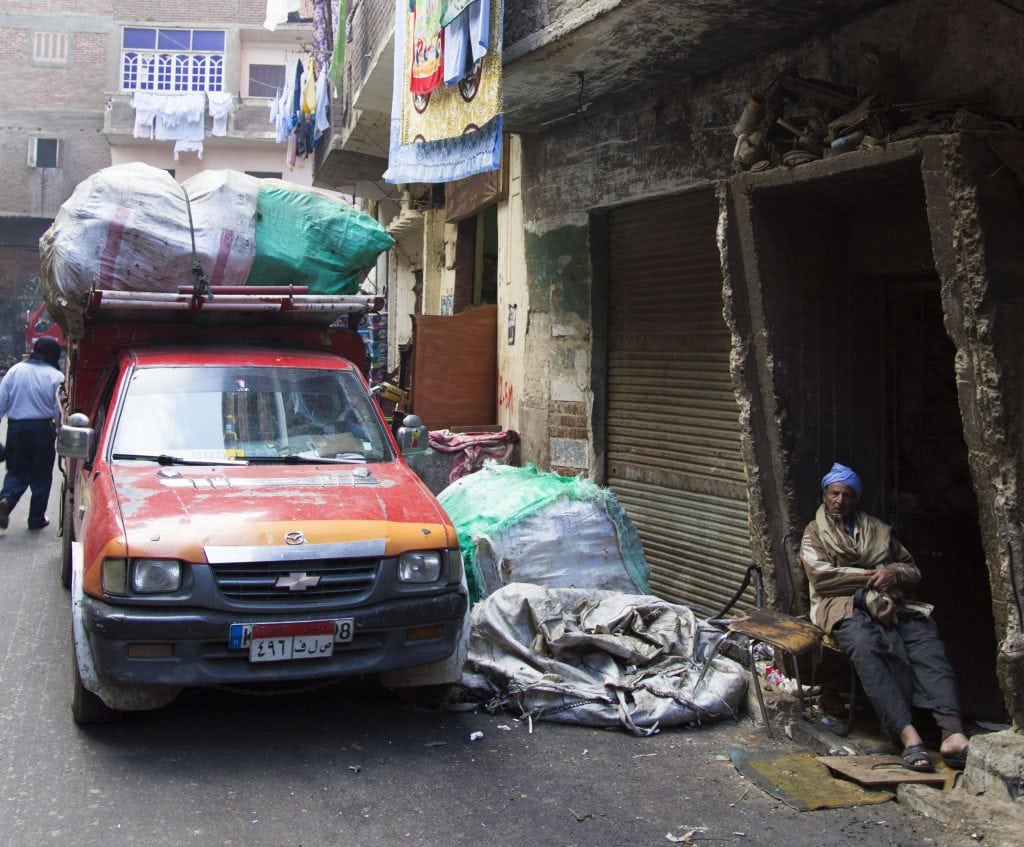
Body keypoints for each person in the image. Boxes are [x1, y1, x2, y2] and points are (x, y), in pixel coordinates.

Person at [800, 462, 970, 772]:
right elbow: (823, 578)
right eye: (834, 493)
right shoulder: (813, 534)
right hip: (841, 604)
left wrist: (892, 573)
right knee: (867, 646)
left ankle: (951, 731)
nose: (840, 501)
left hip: (890, 603)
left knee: (926, 642)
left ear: (856, 499)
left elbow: (911, 569)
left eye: (847, 495)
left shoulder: (878, 530)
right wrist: (871, 577)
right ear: (824, 495)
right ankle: (907, 734)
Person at [0, 337, 64, 530]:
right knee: (42, 475)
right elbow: (59, 409)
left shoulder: (15, 371)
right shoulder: (56, 376)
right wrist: (61, 432)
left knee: (16, 470)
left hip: (16, 428)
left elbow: (2, 401)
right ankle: (36, 518)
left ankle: (6, 499)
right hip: (42, 430)